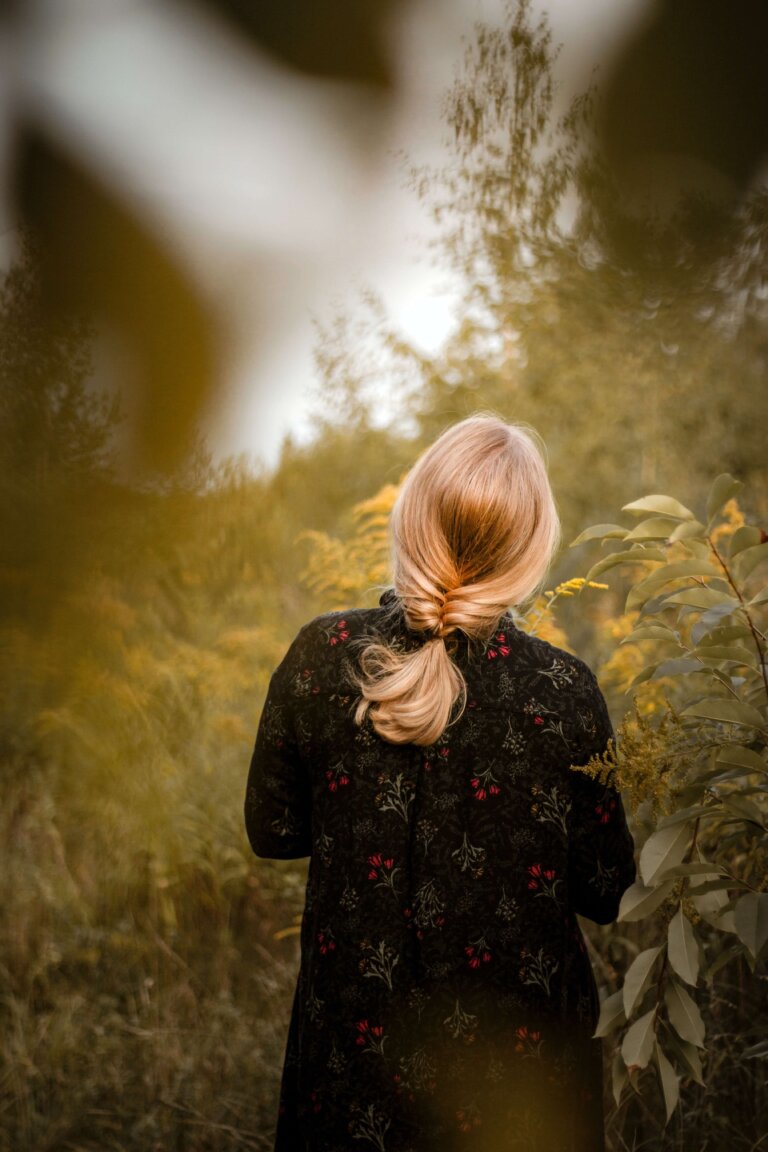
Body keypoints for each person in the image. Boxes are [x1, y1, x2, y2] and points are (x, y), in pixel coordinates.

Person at [245, 413, 637, 1152]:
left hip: (352, 1071)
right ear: (529, 548)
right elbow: (610, 890)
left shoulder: (321, 655)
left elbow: (273, 831)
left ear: (411, 521)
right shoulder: (565, 690)